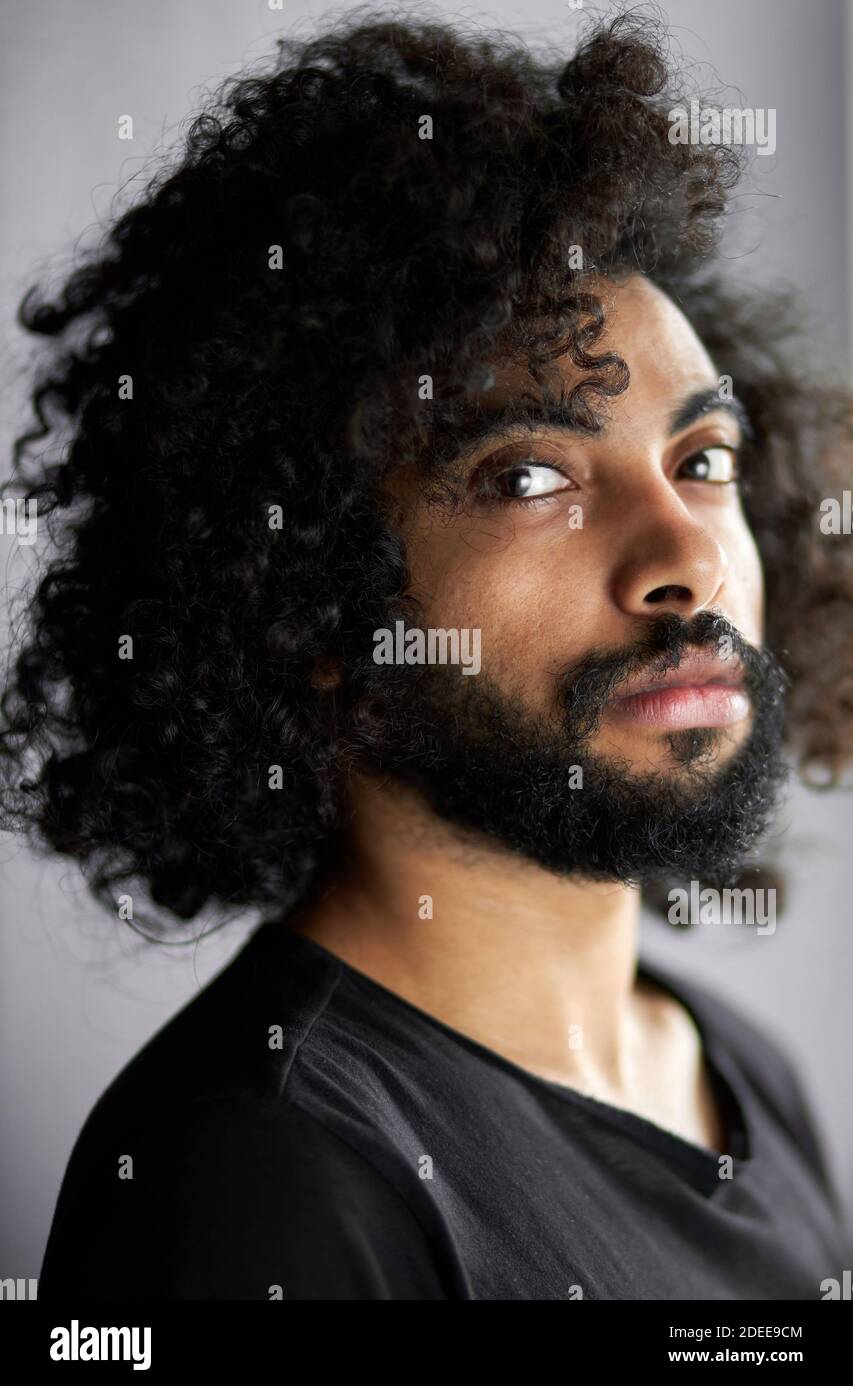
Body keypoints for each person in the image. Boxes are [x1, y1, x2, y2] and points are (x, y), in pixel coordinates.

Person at [4, 7, 852, 1299]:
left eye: (703, 461)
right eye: (525, 474)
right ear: (313, 597)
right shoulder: (260, 1173)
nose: (681, 557)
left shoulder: (740, 1074)